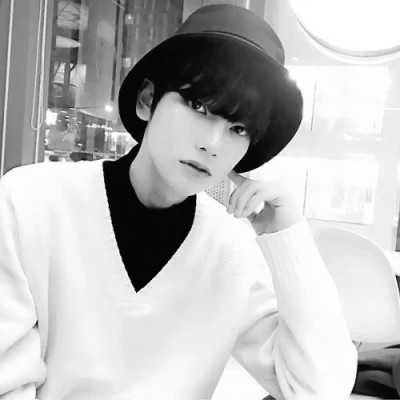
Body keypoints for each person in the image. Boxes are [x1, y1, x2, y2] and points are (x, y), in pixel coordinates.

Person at [0, 4, 357, 400]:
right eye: (198, 106)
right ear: (147, 100)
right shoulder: (31, 202)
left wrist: (287, 235)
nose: (212, 144)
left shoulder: (232, 248)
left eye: (238, 128)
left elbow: (320, 389)